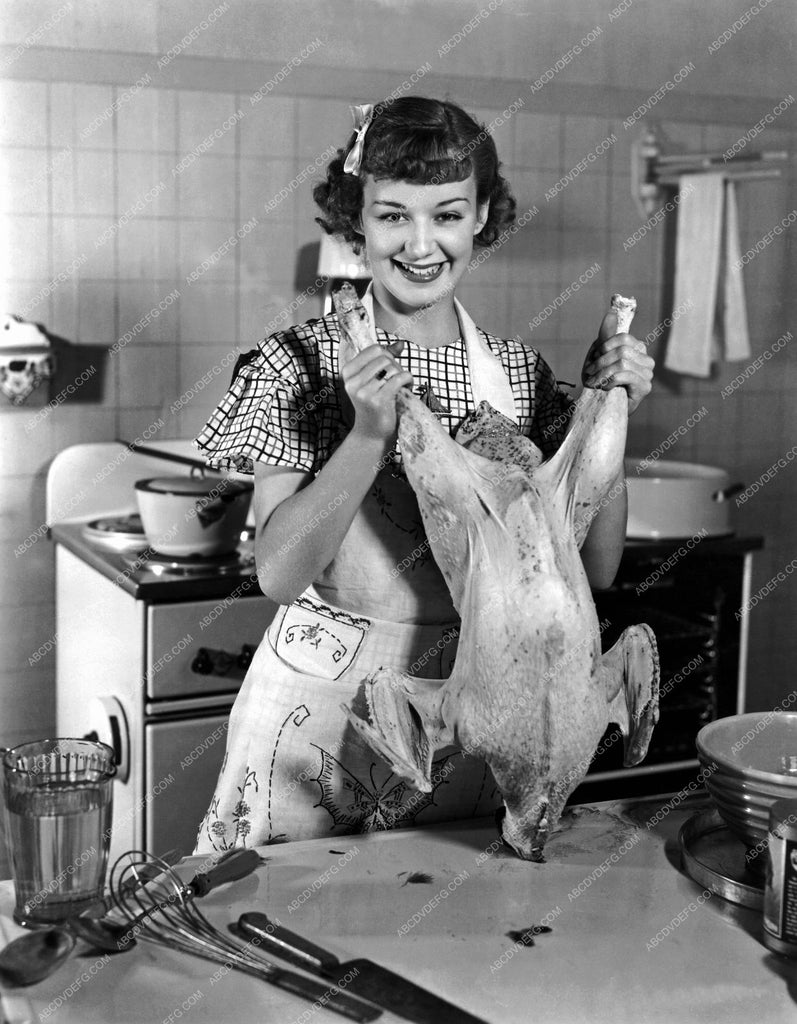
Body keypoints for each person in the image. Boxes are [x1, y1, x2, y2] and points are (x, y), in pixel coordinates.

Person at [192, 96, 654, 853]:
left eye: (446, 215)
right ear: (357, 219)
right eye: (392, 215)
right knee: (283, 907)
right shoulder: (299, 363)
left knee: (443, 907)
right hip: (322, 709)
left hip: (474, 709)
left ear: (481, 217)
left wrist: (607, 416)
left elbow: (595, 569)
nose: (419, 243)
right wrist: (368, 433)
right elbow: (278, 573)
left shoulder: (518, 375)